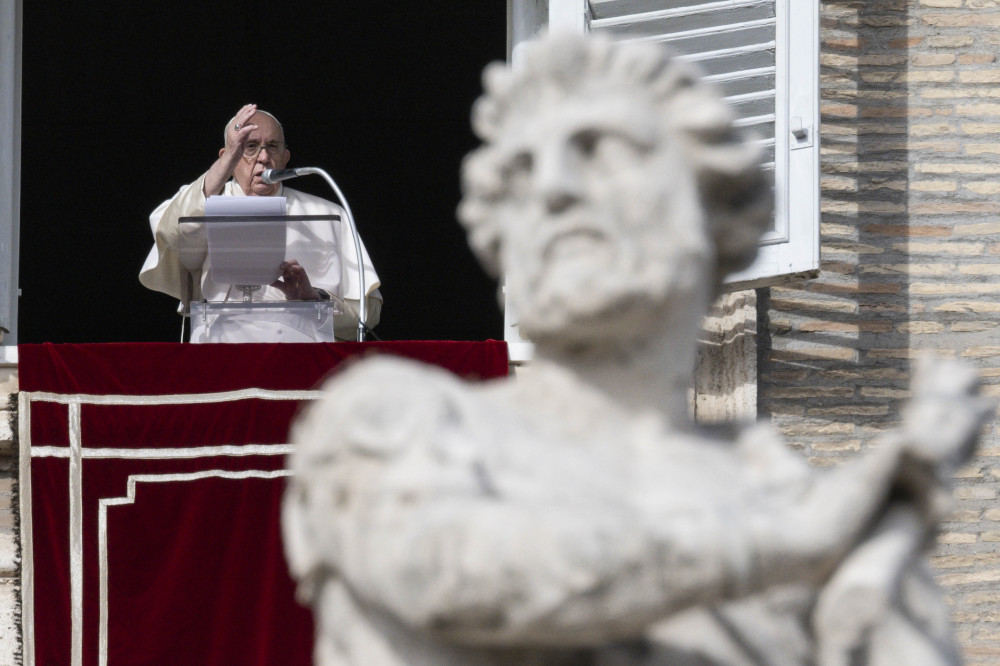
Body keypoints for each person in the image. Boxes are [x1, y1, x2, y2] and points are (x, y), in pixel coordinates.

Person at [282, 34, 988, 665]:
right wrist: (788, 545)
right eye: (522, 174)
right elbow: (449, 574)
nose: (553, 190)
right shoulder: (397, 421)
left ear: (712, 213)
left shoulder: (806, 505)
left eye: (602, 150)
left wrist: (869, 593)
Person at [140, 104, 381, 342]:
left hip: (300, 366)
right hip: (218, 360)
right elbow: (169, 234)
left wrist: (314, 300)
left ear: (285, 158)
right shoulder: (199, 202)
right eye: (250, 147)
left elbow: (367, 315)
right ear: (227, 158)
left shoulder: (329, 214)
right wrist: (222, 170)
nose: (264, 157)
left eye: (272, 147)